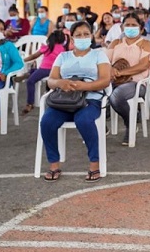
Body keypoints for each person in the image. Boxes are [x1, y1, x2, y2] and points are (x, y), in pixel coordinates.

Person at [39, 21, 110, 182]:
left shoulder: (99, 54)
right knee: (47, 122)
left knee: (84, 120)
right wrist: (60, 83)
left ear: (91, 36)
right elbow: (51, 80)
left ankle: (94, 163)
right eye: (78, 35)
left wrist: (85, 86)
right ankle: (54, 164)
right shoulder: (63, 56)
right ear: (72, 38)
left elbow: (105, 80)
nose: (82, 37)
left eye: (86, 34)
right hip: (64, 101)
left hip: (90, 100)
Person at [106, 13, 150, 145]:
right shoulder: (115, 43)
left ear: (141, 28)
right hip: (114, 80)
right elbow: (105, 62)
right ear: (122, 27)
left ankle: (130, 125)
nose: (130, 27)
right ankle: (99, 127)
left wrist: (121, 72)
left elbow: (143, 65)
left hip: (136, 83)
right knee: (92, 93)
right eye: (127, 25)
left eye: (134, 25)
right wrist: (110, 69)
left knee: (116, 96)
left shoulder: (146, 44)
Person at [19, 30, 68, 115]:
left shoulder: (47, 46)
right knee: (34, 71)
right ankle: (29, 73)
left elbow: (34, 56)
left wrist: (23, 60)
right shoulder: (63, 49)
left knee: (30, 81)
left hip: (44, 69)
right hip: (56, 71)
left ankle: (30, 103)